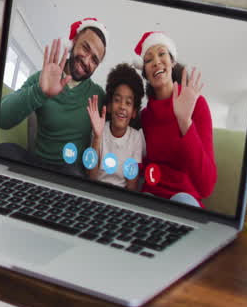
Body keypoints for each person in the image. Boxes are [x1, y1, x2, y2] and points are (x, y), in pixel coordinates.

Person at [0, 17, 109, 175]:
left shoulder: (98, 95)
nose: (86, 60)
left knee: (73, 173)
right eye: (85, 48)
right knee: (4, 151)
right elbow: (1, 117)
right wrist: (39, 92)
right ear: (74, 40)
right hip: (36, 163)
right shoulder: (43, 79)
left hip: (69, 172)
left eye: (94, 60)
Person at [134, 31, 215, 207]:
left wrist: (185, 122)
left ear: (172, 62)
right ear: (146, 73)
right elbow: (147, 163)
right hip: (152, 193)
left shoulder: (197, 104)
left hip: (185, 197)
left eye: (162, 54)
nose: (156, 62)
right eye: (148, 60)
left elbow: (207, 187)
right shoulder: (146, 116)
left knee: (182, 203)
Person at [84, 63, 146, 190]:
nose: (122, 106)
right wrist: (97, 136)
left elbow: (131, 186)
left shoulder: (135, 138)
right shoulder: (100, 129)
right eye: (117, 100)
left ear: (134, 112)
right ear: (110, 105)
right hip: (96, 191)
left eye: (128, 103)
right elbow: (91, 177)